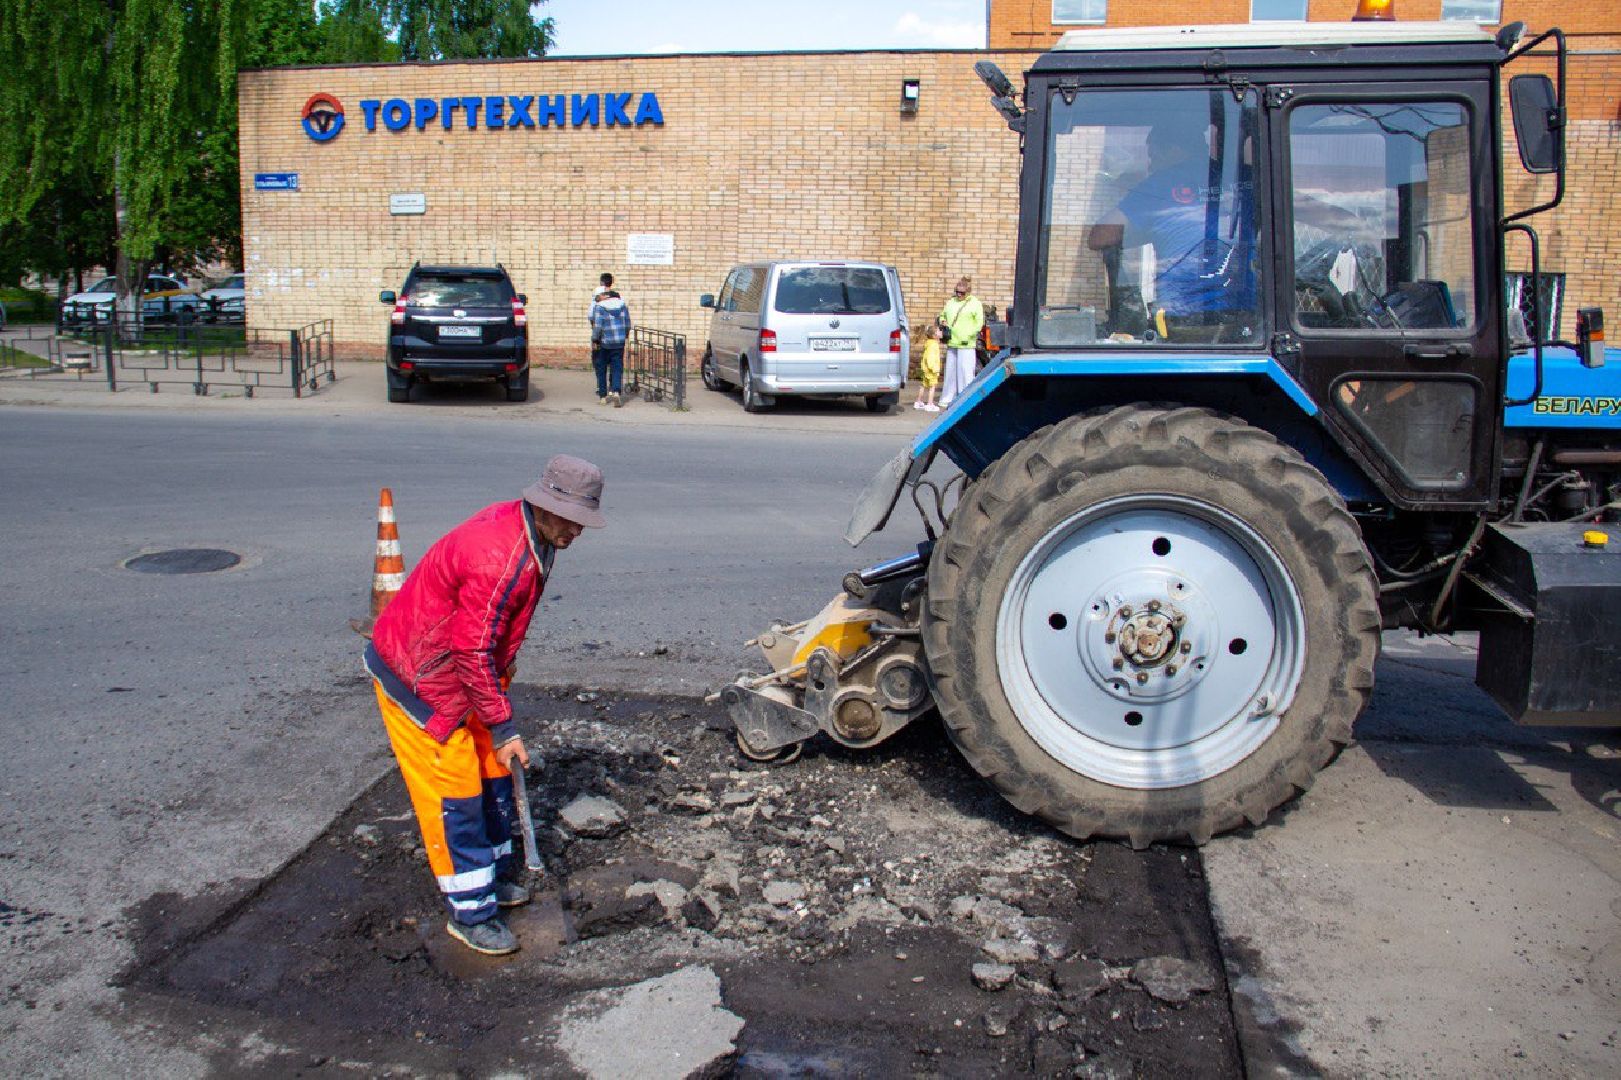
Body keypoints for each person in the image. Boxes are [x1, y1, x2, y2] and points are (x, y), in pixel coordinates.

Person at [363, 455, 606, 956]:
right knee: (454, 796)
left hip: (462, 674)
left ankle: (490, 878)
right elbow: (469, 648)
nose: (578, 531)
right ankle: (471, 913)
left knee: (492, 772)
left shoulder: (534, 534)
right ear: (544, 506)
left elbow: (490, 633)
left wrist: (498, 696)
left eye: (583, 521)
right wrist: (503, 721)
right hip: (421, 680)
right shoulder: (501, 558)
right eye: (572, 520)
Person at [1087, 119, 1257, 342]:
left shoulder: (1163, 182)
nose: (1150, 163)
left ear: (1174, 150)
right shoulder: (1243, 177)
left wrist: (1144, 229)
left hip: (1186, 319)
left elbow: (1099, 237)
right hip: (1247, 320)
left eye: (1153, 155)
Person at [937, 277, 984, 408]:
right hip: (952, 342)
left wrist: (968, 335)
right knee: (950, 372)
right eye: (957, 291)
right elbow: (942, 315)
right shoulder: (951, 302)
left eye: (962, 293)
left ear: (968, 292)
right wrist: (942, 321)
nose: (959, 294)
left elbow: (979, 323)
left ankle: (964, 398)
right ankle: (947, 398)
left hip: (966, 343)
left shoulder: (975, 303)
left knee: (965, 372)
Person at [589, 286, 631, 407]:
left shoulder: (600, 307)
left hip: (604, 343)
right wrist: (625, 335)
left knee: (602, 368)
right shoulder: (623, 306)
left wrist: (594, 339)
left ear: (606, 296)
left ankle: (603, 396)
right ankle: (616, 391)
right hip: (619, 342)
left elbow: (598, 326)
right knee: (617, 367)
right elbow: (628, 323)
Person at [915, 321, 942, 411]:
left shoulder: (929, 343)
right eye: (938, 331)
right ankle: (930, 404)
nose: (941, 332)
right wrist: (934, 368)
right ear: (934, 335)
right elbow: (930, 358)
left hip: (926, 369)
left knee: (923, 385)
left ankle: (918, 402)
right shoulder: (933, 345)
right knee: (932, 387)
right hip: (931, 370)